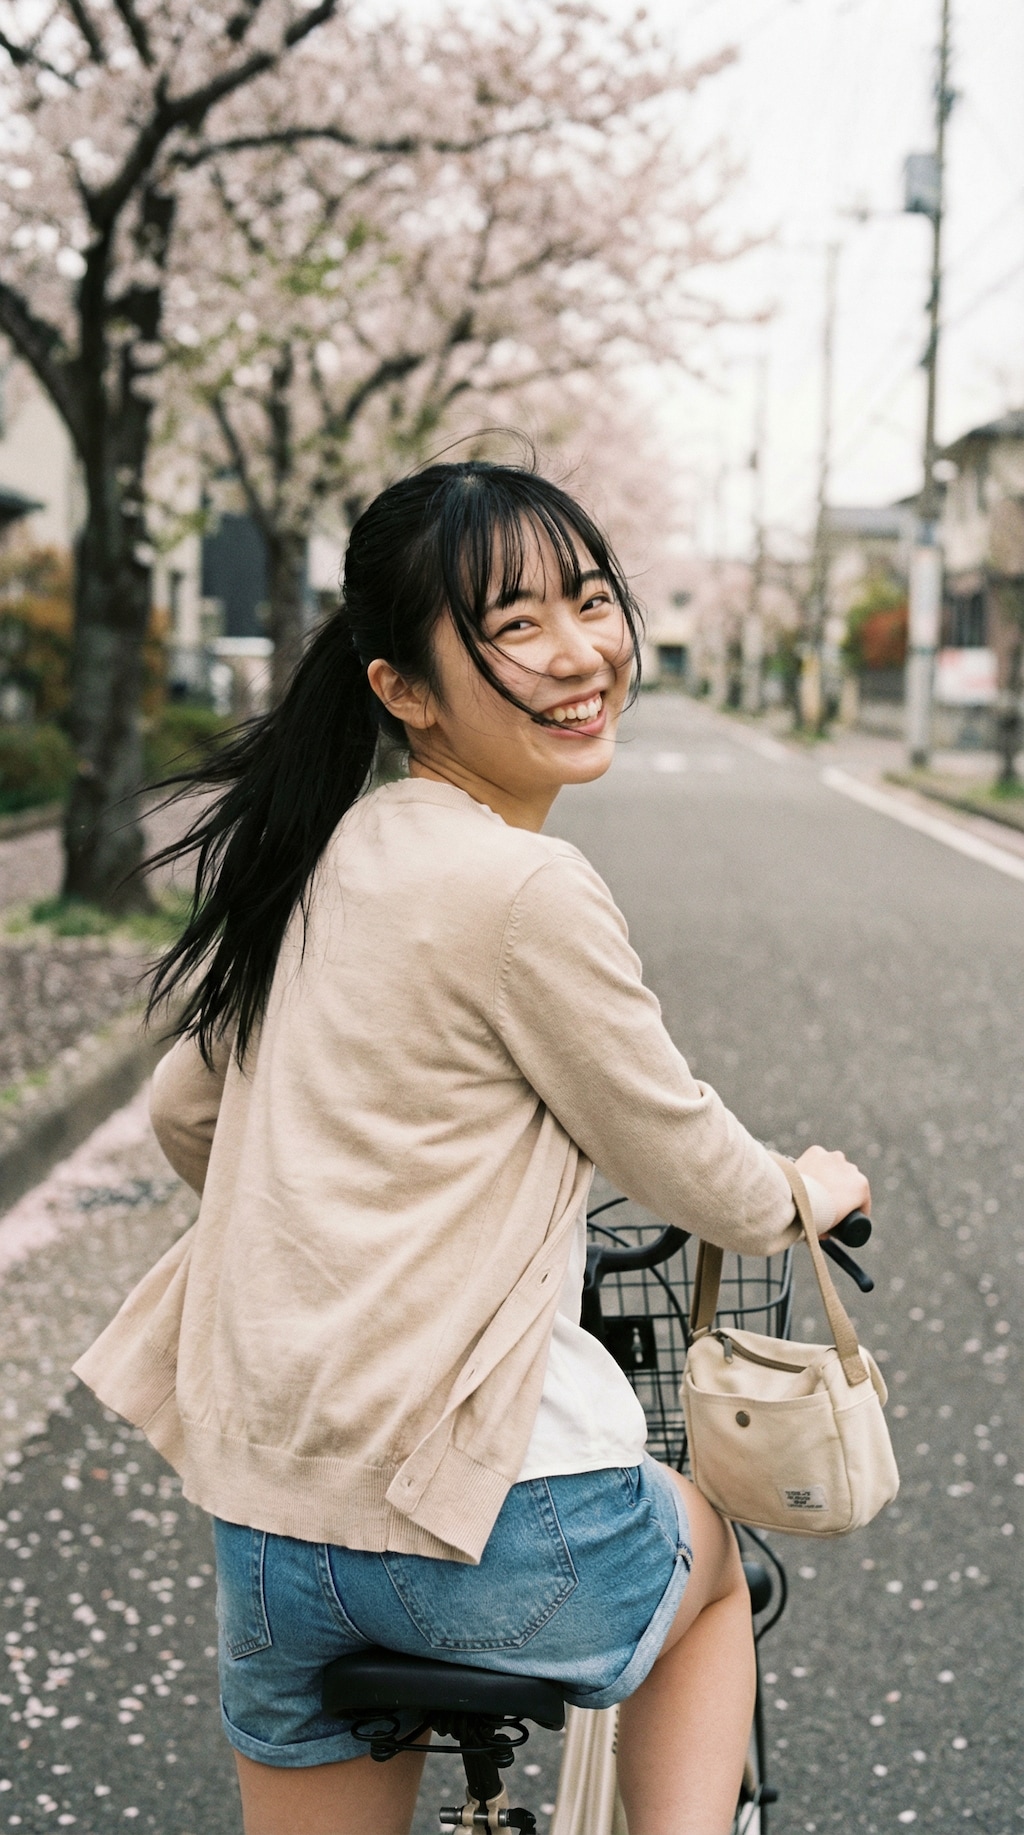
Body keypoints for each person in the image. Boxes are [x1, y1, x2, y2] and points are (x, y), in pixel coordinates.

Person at [74, 461, 870, 1835]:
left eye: (590, 598)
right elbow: (681, 1150)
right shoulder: (524, 885)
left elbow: (187, 1110)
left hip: (274, 1534)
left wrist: (329, 1220)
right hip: (500, 1532)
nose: (581, 652)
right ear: (403, 688)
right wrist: (799, 1193)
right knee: (715, 1573)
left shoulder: (320, 851)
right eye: (516, 626)